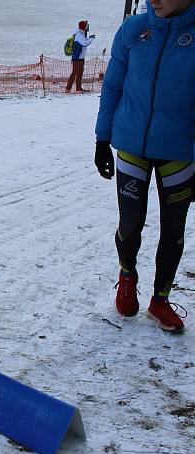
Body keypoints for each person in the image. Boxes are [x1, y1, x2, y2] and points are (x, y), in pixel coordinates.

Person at [94, 0, 195, 333]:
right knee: (130, 222)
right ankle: (127, 276)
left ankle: (161, 300)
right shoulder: (135, 30)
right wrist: (102, 139)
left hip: (179, 152)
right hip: (132, 145)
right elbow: (113, 86)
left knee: (173, 231)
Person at [66, 20, 96, 93]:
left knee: (80, 72)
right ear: (84, 27)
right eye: (86, 26)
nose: (87, 27)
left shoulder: (81, 34)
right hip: (77, 57)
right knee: (75, 72)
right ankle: (68, 88)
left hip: (81, 57)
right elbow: (84, 44)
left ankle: (78, 88)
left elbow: (84, 41)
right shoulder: (79, 35)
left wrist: (89, 38)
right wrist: (91, 39)